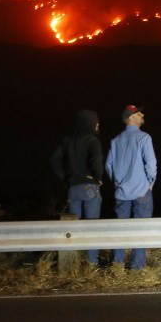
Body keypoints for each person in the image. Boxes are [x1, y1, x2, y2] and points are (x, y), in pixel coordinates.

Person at [50, 109, 104, 265]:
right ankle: (91, 263)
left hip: (73, 188)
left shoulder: (68, 140)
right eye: (96, 122)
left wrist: (65, 178)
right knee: (92, 227)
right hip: (89, 187)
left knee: (73, 229)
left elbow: (54, 159)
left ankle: (71, 263)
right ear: (90, 123)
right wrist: (97, 178)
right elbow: (97, 162)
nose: (98, 124)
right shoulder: (92, 140)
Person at [105, 104, 157, 269]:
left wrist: (117, 183)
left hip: (121, 192)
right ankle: (137, 266)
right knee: (141, 230)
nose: (142, 115)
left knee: (120, 229)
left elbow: (108, 165)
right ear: (130, 118)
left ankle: (117, 265)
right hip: (142, 190)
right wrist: (151, 182)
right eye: (138, 113)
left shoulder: (116, 140)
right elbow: (151, 164)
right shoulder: (144, 138)